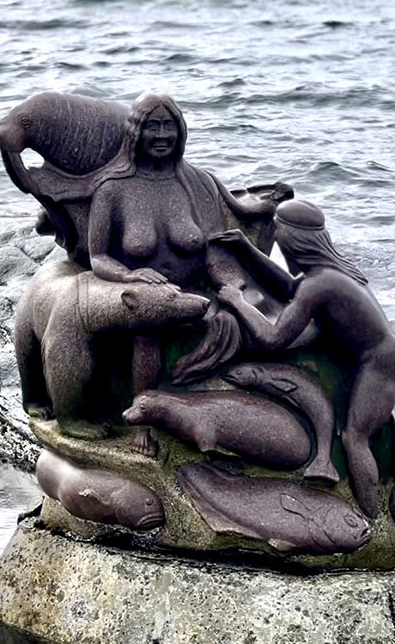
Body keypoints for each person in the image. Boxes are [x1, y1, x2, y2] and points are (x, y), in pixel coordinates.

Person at [87, 92, 276, 455]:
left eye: (168, 126)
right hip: (142, 294)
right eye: (152, 126)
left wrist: (231, 287)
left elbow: (212, 248)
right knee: (149, 328)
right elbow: (98, 258)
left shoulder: (196, 183)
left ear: (180, 131)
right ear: (136, 132)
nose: (161, 135)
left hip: (193, 290)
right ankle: (143, 420)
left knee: (243, 318)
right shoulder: (112, 189)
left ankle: (219, 411)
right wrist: (130, 276)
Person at [213, 200, 395, 518]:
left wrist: (237, 302)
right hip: (380, 353)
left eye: (280, 242)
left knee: (354, 439)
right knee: (355, 436)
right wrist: (247, 249)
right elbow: (292, 287)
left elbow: (272, 340)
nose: (281, 250)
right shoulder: (327, 273)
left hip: (381, 363)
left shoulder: (318, 285)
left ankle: (369, 516)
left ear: (293, 243)